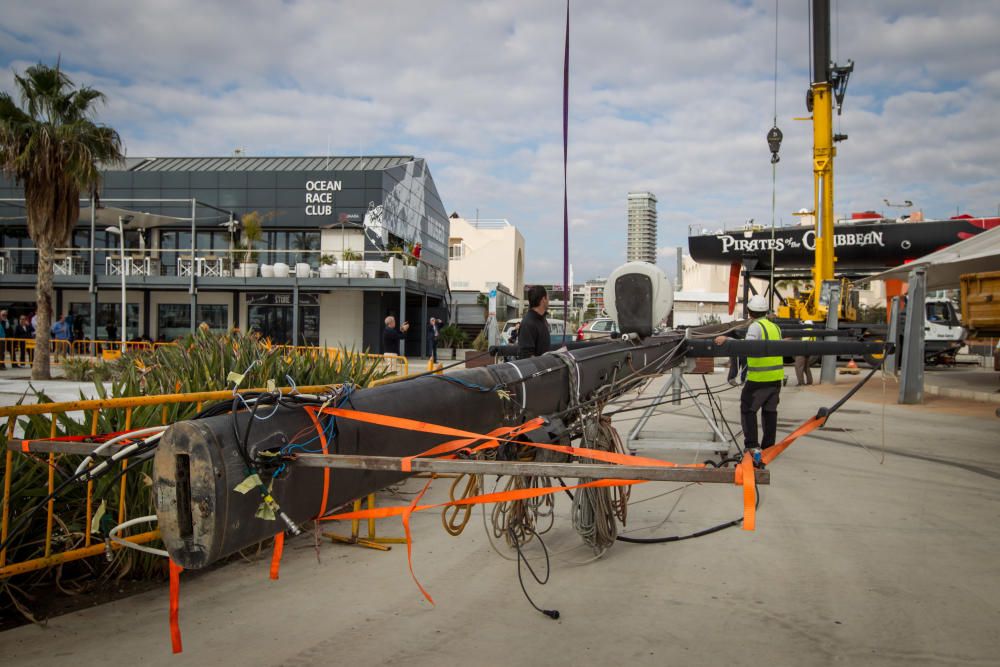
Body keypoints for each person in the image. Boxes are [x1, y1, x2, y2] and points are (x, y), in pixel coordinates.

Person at [714, 294, 784, 466]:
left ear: (750, 312)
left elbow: (747, 347)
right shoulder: (775, 327)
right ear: (766, 311)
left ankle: (752, 445)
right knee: (770, 412)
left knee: (748, 410)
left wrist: (727, 339)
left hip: (759, 379)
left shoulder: (755, 327)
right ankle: (769, 447)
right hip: (776, 379)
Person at [518, 285, 550, 359]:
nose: (549, 300)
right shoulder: (528, 323)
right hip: (537, 369)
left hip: (545, 368)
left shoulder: (542, 319)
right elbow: (526, 355)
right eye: (548, 297)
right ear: (543, 299)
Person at [793, 320, 815, 386]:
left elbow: (804, 342)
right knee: (806, 367)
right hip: (809, 350)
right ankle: (809, 381)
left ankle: (801, 382)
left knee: (798, 366)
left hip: (803, 350)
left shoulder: (806, 330)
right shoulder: (812, 331)